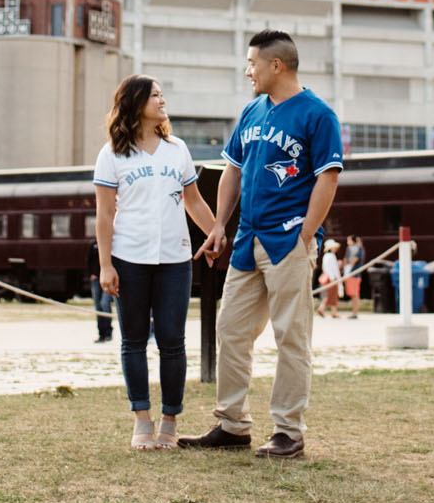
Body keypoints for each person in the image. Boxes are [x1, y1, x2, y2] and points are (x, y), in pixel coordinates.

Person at [182, 30, 342, 461]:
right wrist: (218, 224)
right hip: (247, 239)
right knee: (231, 329)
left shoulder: (317, 115)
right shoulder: (251, 112)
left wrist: (305, 235)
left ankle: (289, 431)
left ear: (277, 65)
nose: (247, 70)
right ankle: (233, 425)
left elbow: (328, 177)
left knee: (291, 335)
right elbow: (232, 170)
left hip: (287, 240)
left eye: (252, 62)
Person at [93, 75, 218, 451]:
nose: (162, 100)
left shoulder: (176, 149)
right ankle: (141, 420)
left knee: (172, 341)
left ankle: (170, 420)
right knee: (132, 341)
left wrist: (216, 233)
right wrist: (105, 265)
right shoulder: (112, 154)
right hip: (128, 259)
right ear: (135, 103)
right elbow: (103, 214)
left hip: (175, 259)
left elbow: (193, 201)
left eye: (163, 94)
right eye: (154, 95)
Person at [86, 239, 114, 344]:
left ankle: (108, 331)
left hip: (108, 278)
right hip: (96, 279)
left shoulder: (112, 242)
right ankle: (101, 333)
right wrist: (91, 274)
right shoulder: (93, 244)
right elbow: (89, 260)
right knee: (98, 306)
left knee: (105, 303)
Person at [317, 239, 341, 319]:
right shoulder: (330, 256)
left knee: (332, 295)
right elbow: (328, 268)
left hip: (332, 277)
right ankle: (322, 308)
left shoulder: (328, 256)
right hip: (331, 278)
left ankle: (333, 312)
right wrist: (332, 278)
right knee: (330, 295)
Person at [343, 235, 365, 318]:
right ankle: (354, 312)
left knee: (354, 294)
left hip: (353, 274)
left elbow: (353, 261)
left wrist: (347, 262)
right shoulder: (356, 249)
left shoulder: (357, 250)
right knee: (354, 294)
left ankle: (355, 313)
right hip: (353, 274)